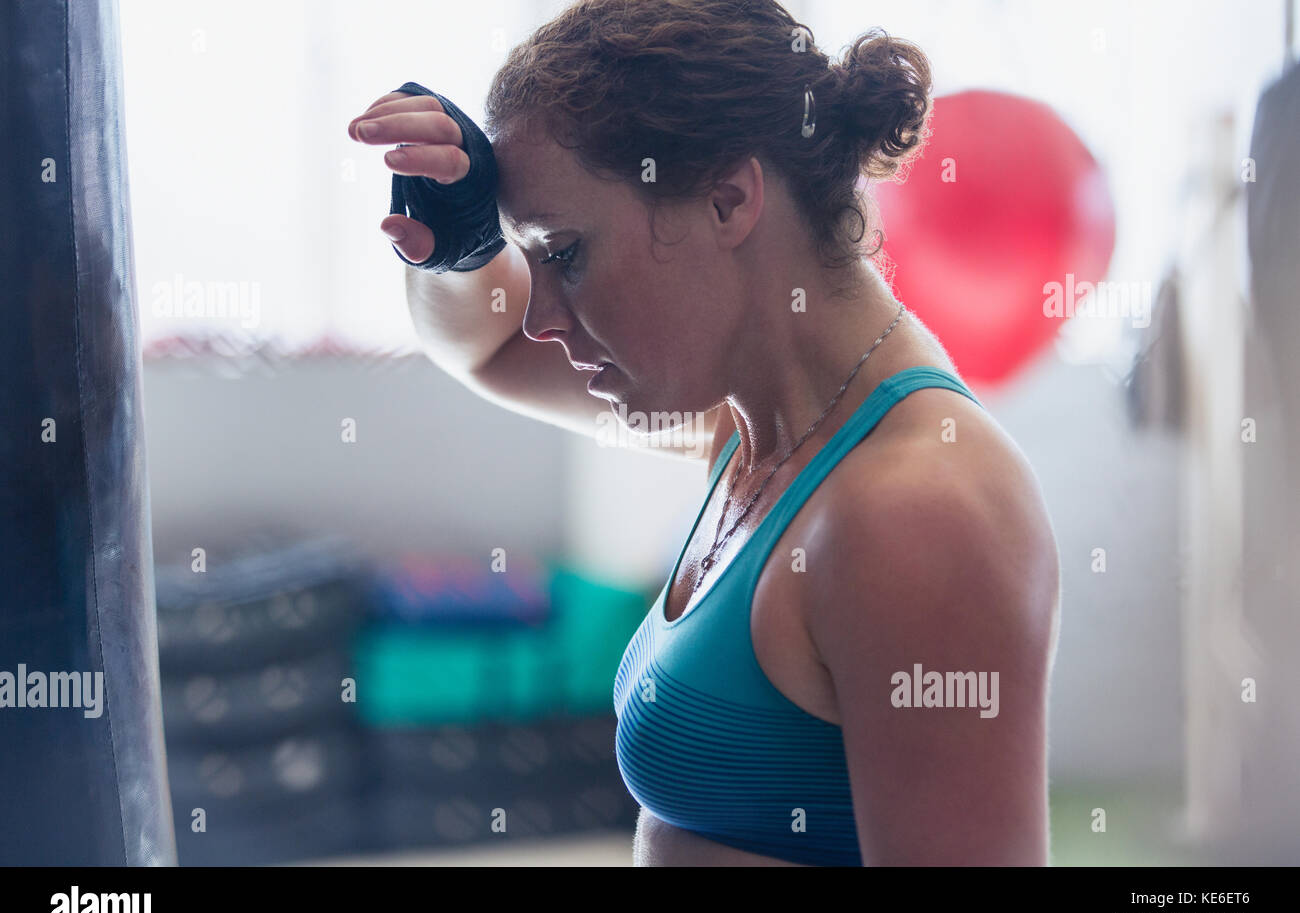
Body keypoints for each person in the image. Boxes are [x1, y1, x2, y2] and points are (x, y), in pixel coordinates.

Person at [349, 0, 1060, 866]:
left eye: (565, 252)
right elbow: (486, 344)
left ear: (728, 199)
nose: (539, 316)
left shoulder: (913, 511)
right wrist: (457, 254)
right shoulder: (749, 429)